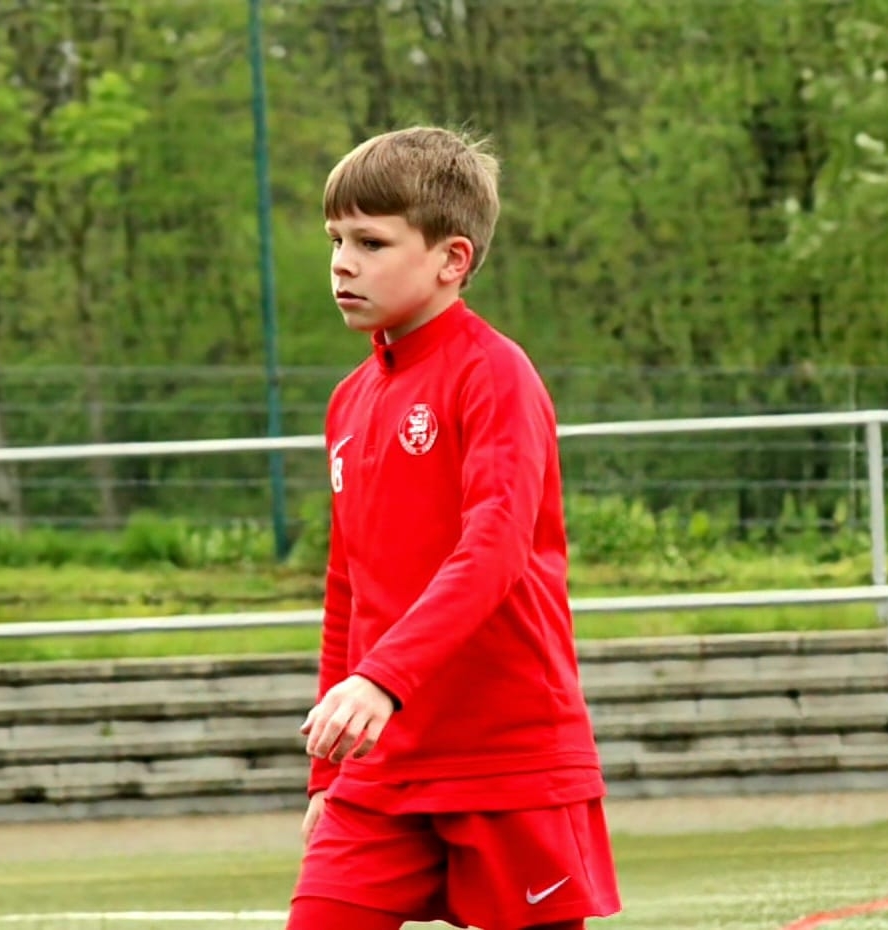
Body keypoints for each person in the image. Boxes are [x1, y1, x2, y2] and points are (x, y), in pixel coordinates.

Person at [288, 126, 622, 930]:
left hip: (507, 759)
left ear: (452, 259)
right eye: (335, 240)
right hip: (381, 769)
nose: (341, 263)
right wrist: (327, 775)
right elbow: (347, 588)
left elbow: (494, 549)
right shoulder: (349, 401)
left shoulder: (493, 374)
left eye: (370, 242)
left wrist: (381, 680)